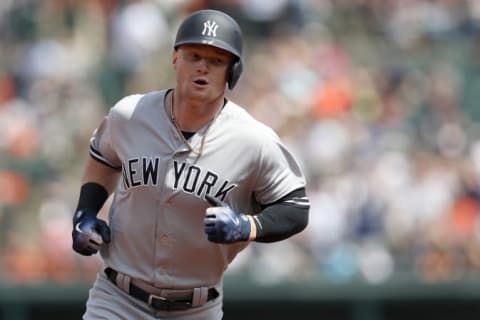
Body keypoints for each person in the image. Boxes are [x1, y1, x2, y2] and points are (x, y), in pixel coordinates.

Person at [71, 9, 310, 320]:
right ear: (175, 59)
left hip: (196, 308)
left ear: (232, 73)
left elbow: (295, 208)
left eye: (216, 61)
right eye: (194, 55)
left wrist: (247, 226)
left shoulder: (254, 140)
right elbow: (102, 159)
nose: (202, 67)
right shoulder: (129, 115)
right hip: (118, 299)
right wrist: (85, 211)